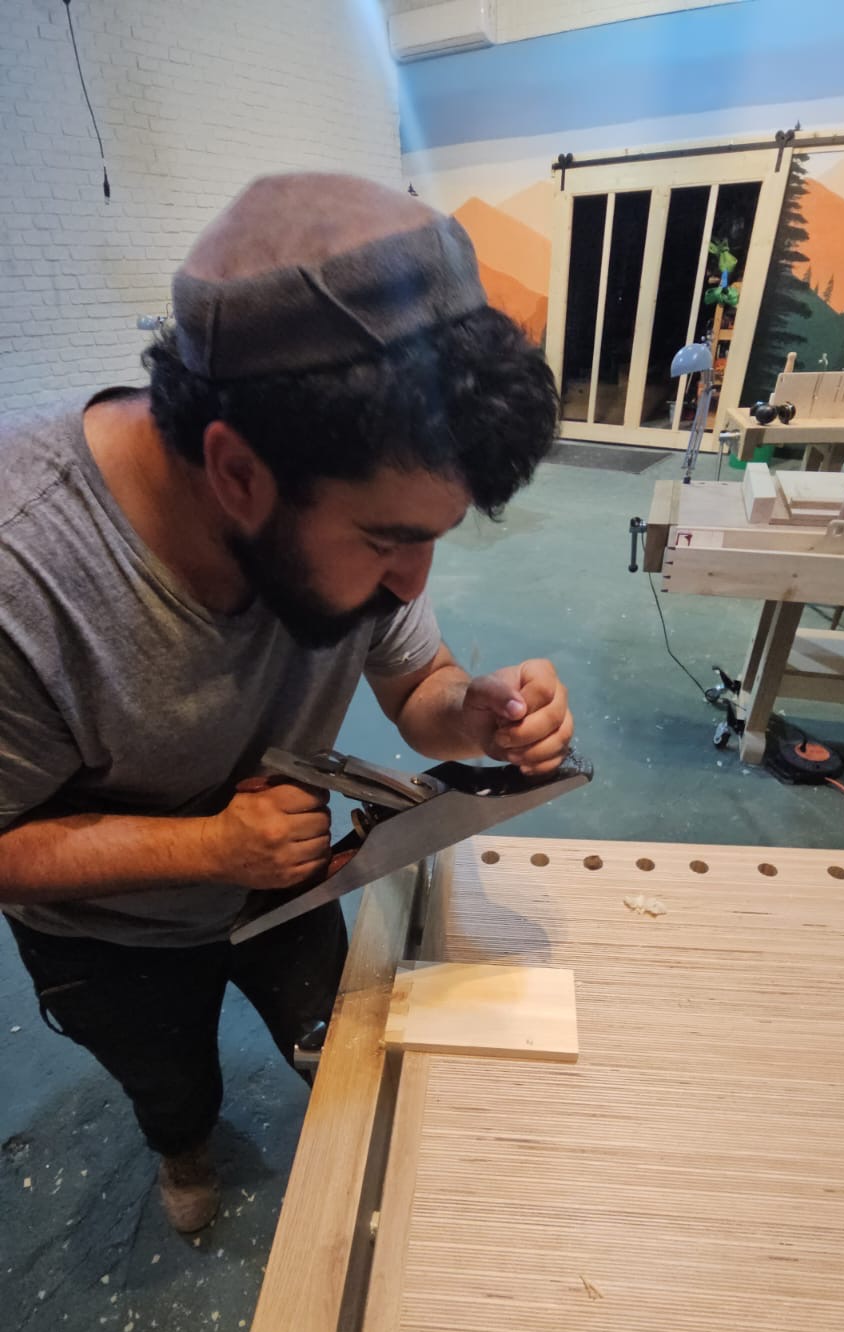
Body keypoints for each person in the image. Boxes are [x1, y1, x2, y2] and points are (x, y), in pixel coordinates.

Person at [0, 173, 573, 1232]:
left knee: (337, 1034)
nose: (412, 581)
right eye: (388, 540)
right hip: (110, 937)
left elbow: (416, 684)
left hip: (291, 878)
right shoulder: (24, 576)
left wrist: (472, 709)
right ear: (237, 471)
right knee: (168, 1076)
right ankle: (182, 1146)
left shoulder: (353, 487)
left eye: (433, 538)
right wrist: (208, 848)